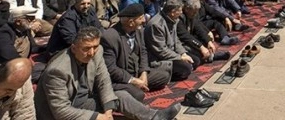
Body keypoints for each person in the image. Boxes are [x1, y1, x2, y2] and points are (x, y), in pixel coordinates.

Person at [35, 26, 180, 120]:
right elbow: (61, 112)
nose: (91, 53)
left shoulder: (97, 53)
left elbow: (104, 81)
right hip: (62, 112)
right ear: (73, 48)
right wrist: (97, 117)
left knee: (121, 95)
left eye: (95, 47)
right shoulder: (57, 70)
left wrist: (108, 110)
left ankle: (154, 116)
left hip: (85, 100)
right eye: (86, 48)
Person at [101, 3, 171, 102]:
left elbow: (143, 52)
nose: (144, 20)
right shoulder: (109, 37)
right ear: (130, 22)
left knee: (164, 76)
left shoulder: (138, 30)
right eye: (141, 18)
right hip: (121, 79)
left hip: (136, 72)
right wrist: (133, 80)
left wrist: (144, 73)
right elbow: (111, 69)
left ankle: (138, 86)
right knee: (138, 95)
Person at [144, 0, 195, 81]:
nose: (181, 13)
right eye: (180, 11)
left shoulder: (173, 20)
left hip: (172, 53)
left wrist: (183, 53)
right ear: (172, 12)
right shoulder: (156, 25)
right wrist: (180, 57)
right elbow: (161, 51)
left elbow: (176, 40)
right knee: (186, 69)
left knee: (194, 60)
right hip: (159, 59)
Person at [178, 0, 230, 64]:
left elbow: (198, 28)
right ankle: (210, 57)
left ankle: (210, 55)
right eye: (194, 12)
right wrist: (201, 47)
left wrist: (208, 41)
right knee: (196, 58)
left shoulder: (192, 15)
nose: (195, 14)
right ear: (187, 9)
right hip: (180, 42)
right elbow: (185, 36)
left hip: (189, 37)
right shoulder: (179, 18)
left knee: (204, 38)